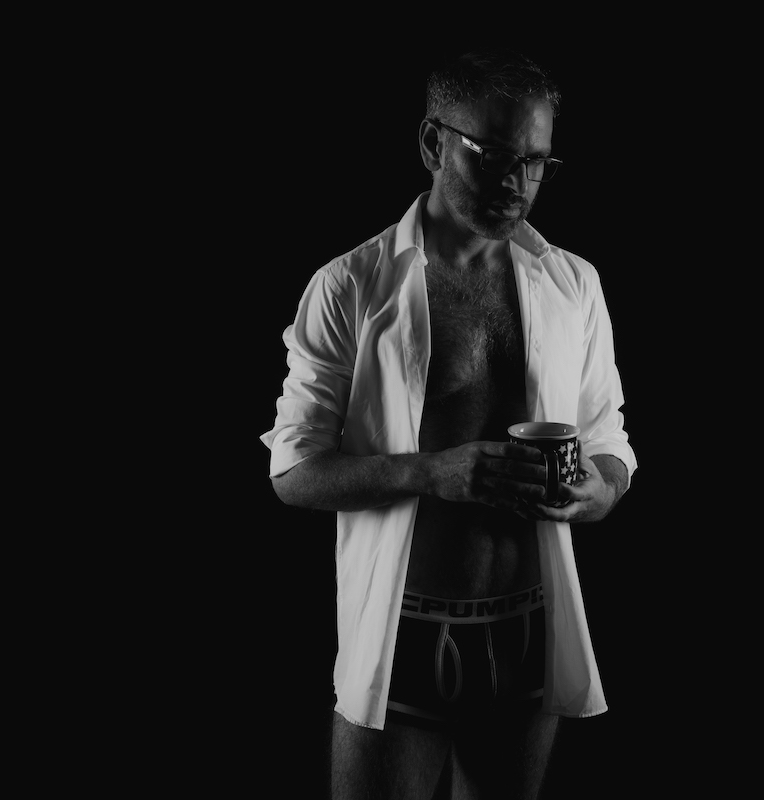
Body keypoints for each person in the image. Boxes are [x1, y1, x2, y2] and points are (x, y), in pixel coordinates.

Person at [261, 50, 637, 800]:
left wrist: (598, 492)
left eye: (535, 161)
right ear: (433, 143)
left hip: (530, 629)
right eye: (491, 155)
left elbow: (610, 442)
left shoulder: (573, 283)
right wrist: (430, 473)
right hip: (402, 632)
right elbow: (292, 473)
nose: (515, 182)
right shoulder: (350, 286)